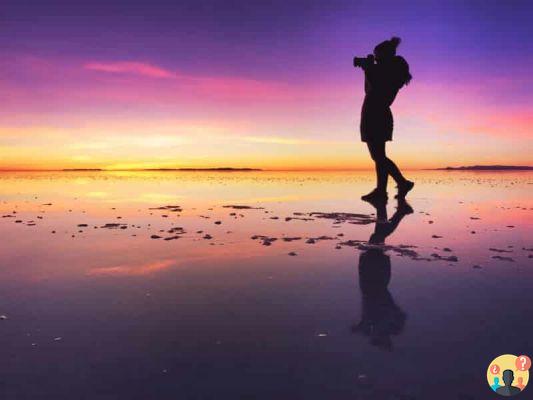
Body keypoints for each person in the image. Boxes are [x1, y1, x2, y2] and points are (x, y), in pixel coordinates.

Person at [354, 37, 414, 201]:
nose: (376, 59)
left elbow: (376, 88)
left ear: (385, 56)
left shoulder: (390, 74)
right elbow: (369, 89)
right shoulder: (383, 71)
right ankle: (383, 190)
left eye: (377, 55)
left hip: (376, 115)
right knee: (378, 156)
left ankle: (400, 183)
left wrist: (368, 68)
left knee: (378, 156)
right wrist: (369, 68)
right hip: (374, 114)